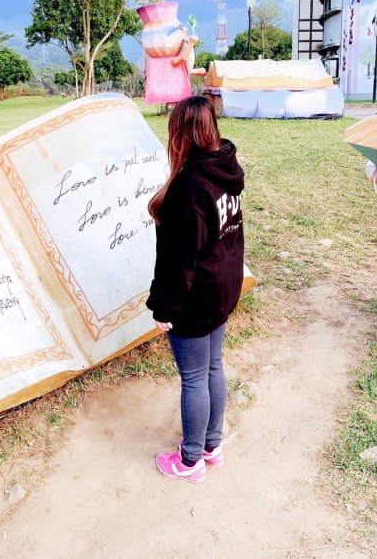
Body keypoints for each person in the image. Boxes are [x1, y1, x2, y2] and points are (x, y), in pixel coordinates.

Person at [146, 95, 245, 483]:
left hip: (196, 297)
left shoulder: (188, 188)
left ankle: (190, 461)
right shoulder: (226, 169)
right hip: (223, 287)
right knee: (213, 366)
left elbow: (178, 261)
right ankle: (211, 445)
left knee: (194, 376)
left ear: (180, 135)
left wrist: (164, 309)